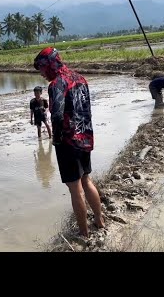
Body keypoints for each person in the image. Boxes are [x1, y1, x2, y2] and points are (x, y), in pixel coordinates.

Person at [33, 47, 105, 237]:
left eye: (41, 69)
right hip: (85, 137)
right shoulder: (80, 78)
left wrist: (56, 140)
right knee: (86, 179)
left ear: (49, 65)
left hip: (68, 142)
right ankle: (99, 219)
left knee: (75, 189)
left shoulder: (57, 83)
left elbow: (56, 116)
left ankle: (84, 233)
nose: (41, 73)